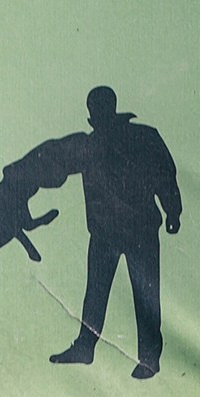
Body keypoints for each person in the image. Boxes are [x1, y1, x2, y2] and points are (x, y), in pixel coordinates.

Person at [46, 85, 182, 379]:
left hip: (138, 230)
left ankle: (147, 359)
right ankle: (87, 348)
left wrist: (173, 210)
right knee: (98, 292)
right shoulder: (95, 144)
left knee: (144, 294)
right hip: (108, 232)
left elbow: (165, 173)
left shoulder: (138, 137)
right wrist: (172, 211)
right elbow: (55, 166)